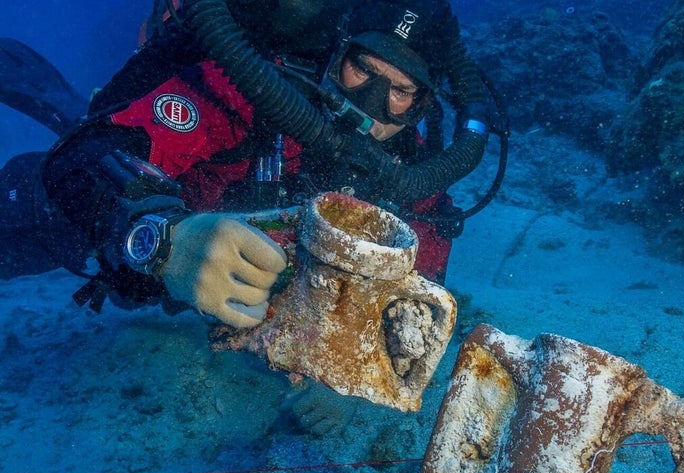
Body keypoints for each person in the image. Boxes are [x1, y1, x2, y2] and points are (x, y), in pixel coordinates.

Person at [0, 0, 504, 331]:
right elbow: (90, 160)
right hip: (140, 241)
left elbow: (424, 268)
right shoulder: (251, 94)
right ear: (335, 53)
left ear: (422, 104)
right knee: (46, 222)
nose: (372, 102)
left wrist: (370, 360)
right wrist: (160, 239)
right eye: (363, 69)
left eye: (399, 90)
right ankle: (66, 108)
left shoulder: (413, 165)